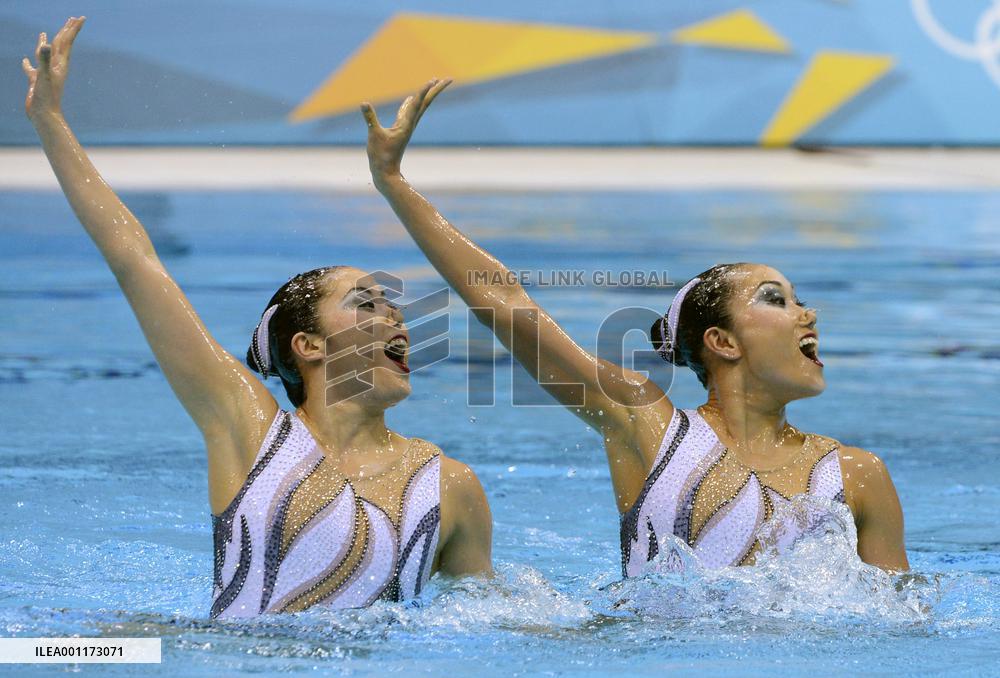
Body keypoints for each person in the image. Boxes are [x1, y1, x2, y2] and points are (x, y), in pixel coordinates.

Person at [22, 18, 492, 619]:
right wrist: (52, 123)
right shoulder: (251, 431)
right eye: (367, 304)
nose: (396, 318)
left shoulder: (452, 486)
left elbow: (493, 621)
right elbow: (137, 264)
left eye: (395, 306)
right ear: (309, 346)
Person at [361, 79, 909, 575]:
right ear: (723, 342)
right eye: (777, 300)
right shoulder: (648, 426)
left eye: (800, 301)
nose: (807, 314)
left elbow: (899, 624)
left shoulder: (858, 475)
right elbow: (507, 304)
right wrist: (393, 183)